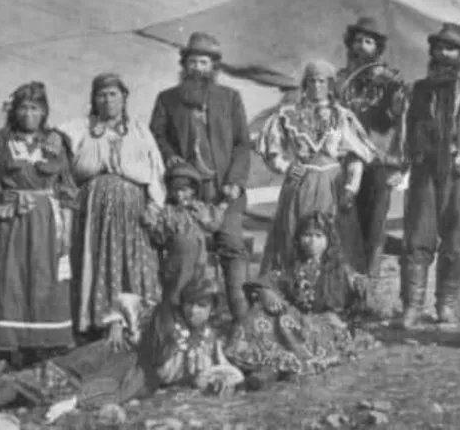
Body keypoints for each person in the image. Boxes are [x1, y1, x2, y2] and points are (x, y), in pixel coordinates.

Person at [0, 272, 241, 425]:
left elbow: (215, 371)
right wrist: (116, 322)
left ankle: (12, 399)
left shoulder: (209, 340)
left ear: (212, 309)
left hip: (141, 376)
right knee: (52, 373)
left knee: (85, 394)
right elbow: (126, 301)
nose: (194, 310)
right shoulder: (163, 315)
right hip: (117, 354)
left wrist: (214, 381)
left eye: (202, 306)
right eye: (190, 303)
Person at [149, 32, 252, 329]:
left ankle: (241, 319)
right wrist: (170, 156)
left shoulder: (230, 98)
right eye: (192, 62)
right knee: (187, 248)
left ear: (214, 67)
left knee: (231, 245)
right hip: (186, 193)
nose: (197, 68)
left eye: (204, 62)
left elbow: (242, 144)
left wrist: (235, 182)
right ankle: (186, 319)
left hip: (224, 190)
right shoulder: (167, 99)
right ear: (184, 65)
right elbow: (156, 135)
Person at [0, 81, 79, 361]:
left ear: (44, 111)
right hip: (12, 221)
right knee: (9, 277)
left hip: (47, 221)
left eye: (34, 108)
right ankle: (7, 350)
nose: (29, 114)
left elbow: (67, 190)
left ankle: (41, 348)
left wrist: (67, 232)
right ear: (14, 111)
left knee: (43, 277)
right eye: (23, 108)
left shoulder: (56, 143)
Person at [60, 73, 165, 338]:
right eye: (101, 95)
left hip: (133, 210)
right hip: (93, 210)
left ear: (124, 97)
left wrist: (155, 205)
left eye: (113, 94)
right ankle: (98, 321)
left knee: (133, 260)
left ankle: (136, 321)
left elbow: (155, 170)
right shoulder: (81, 128)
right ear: (94, 100)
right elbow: (59, 149)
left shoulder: (139, 130)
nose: (107, 100)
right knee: (98, 259)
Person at [398, 23, 460, 328]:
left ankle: (446, 305)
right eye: (440, 48)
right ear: (432, 52)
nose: (444, 54)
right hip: (425, 171)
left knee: (456, 241)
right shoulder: (416, 91)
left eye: (451, 49)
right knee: (418, 237)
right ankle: (412, 305)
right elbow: (402, 131)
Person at [226, 212, 373, 389]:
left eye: (318, 236)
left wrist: (360, 289)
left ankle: (279, 367)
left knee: (284, 321)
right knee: (261, 311)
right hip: (298, 322)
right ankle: (265, 365)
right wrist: (265, 292)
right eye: (307, 235)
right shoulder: (293, 265)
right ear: (298, 238)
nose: (312, 241)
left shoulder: (339, 269)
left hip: (326, 329)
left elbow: (361, 293)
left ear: (328, 239)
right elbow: (271, 280)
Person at [257, 59, 375, 275]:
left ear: (330, 84)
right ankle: (295, 284)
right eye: (311, 81)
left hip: (333, 185)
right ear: (305, 84)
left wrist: (351, 188)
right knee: (295, 234)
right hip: (300, 185)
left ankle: (332, 287)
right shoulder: (288, 114)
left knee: (335, 236)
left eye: (321, 81)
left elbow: (355, 157)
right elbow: (272, 151)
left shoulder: (341, 116)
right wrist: (286, 166)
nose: (316, 86)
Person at [335, 17, 409, 273]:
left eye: (368, 42)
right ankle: (344, 281)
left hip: (378, 161)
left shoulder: (391, 82)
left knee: (374, 227)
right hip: (344, 162)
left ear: (377, 48)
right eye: (357, 41)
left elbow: (397, 125)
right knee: (345, 223)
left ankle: (368, 282)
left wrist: (399, 167)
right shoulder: (340, 81)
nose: (361, 46)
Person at [146, 161, 229, 299]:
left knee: (197, 297)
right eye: (175, 190)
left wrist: (209, 217)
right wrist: (151, 223)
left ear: (194, 190)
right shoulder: (167, 212)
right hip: (175, 265)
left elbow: (213, 226)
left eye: (184, 190)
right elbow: (159, 238)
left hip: (199, 265)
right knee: (174, 296)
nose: (179, 195)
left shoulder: (199, 208)